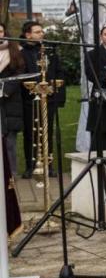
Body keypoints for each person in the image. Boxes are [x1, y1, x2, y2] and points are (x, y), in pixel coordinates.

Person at [20, 21, 67, 178]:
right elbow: (21, 75)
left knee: (47, 131)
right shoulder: (22, 53)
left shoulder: (49, 52)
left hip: (49, 98)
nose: (42, 34)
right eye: (37, 32)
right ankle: (31, 165)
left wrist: (56, 92)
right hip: (29, 99)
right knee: (31, 132)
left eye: (42, 31)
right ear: (28, 35)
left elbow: (59, 72)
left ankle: (48, 165)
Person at [0, 23, 25, 174]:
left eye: (0, 31)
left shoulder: (15, 51)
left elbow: (19, 74)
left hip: (9, 102)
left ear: (5, 33)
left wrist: (4, 91)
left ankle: (11, 178)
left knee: (9, 143)